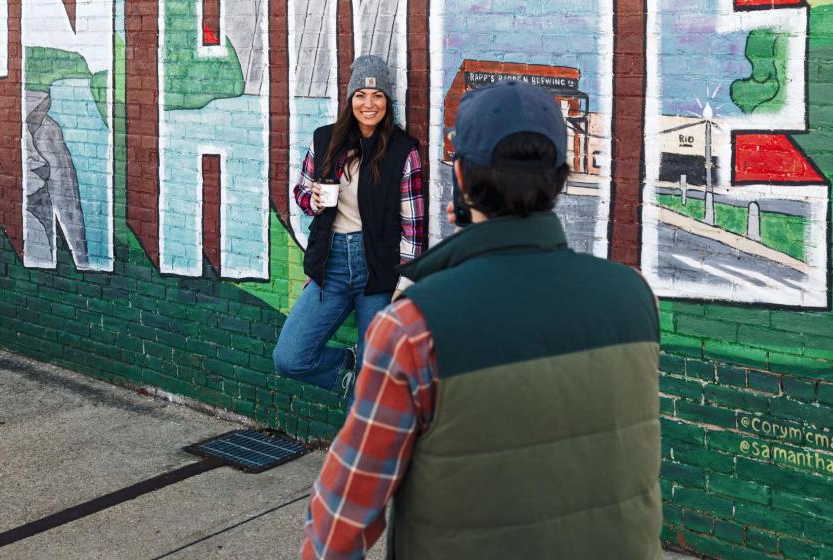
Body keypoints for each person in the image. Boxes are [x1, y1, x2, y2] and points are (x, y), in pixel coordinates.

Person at [302, 77, 663, 560]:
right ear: (561, 175)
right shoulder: (635, 298)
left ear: (462, 177)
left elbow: (340, 523)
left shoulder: (412, 327)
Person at [273, 54, 425, 398]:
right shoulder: (325, 140)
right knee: (290, 358)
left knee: (374, 383)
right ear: (350, 99)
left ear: (387, 101)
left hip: (380, 274)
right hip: (332, 268)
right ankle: (351, 366)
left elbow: (413, 227)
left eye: (377, 96)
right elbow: (301, 191)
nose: (368, 104)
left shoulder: (404, 151)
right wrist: (310, 200)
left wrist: (404, 283)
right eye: (361, 95)